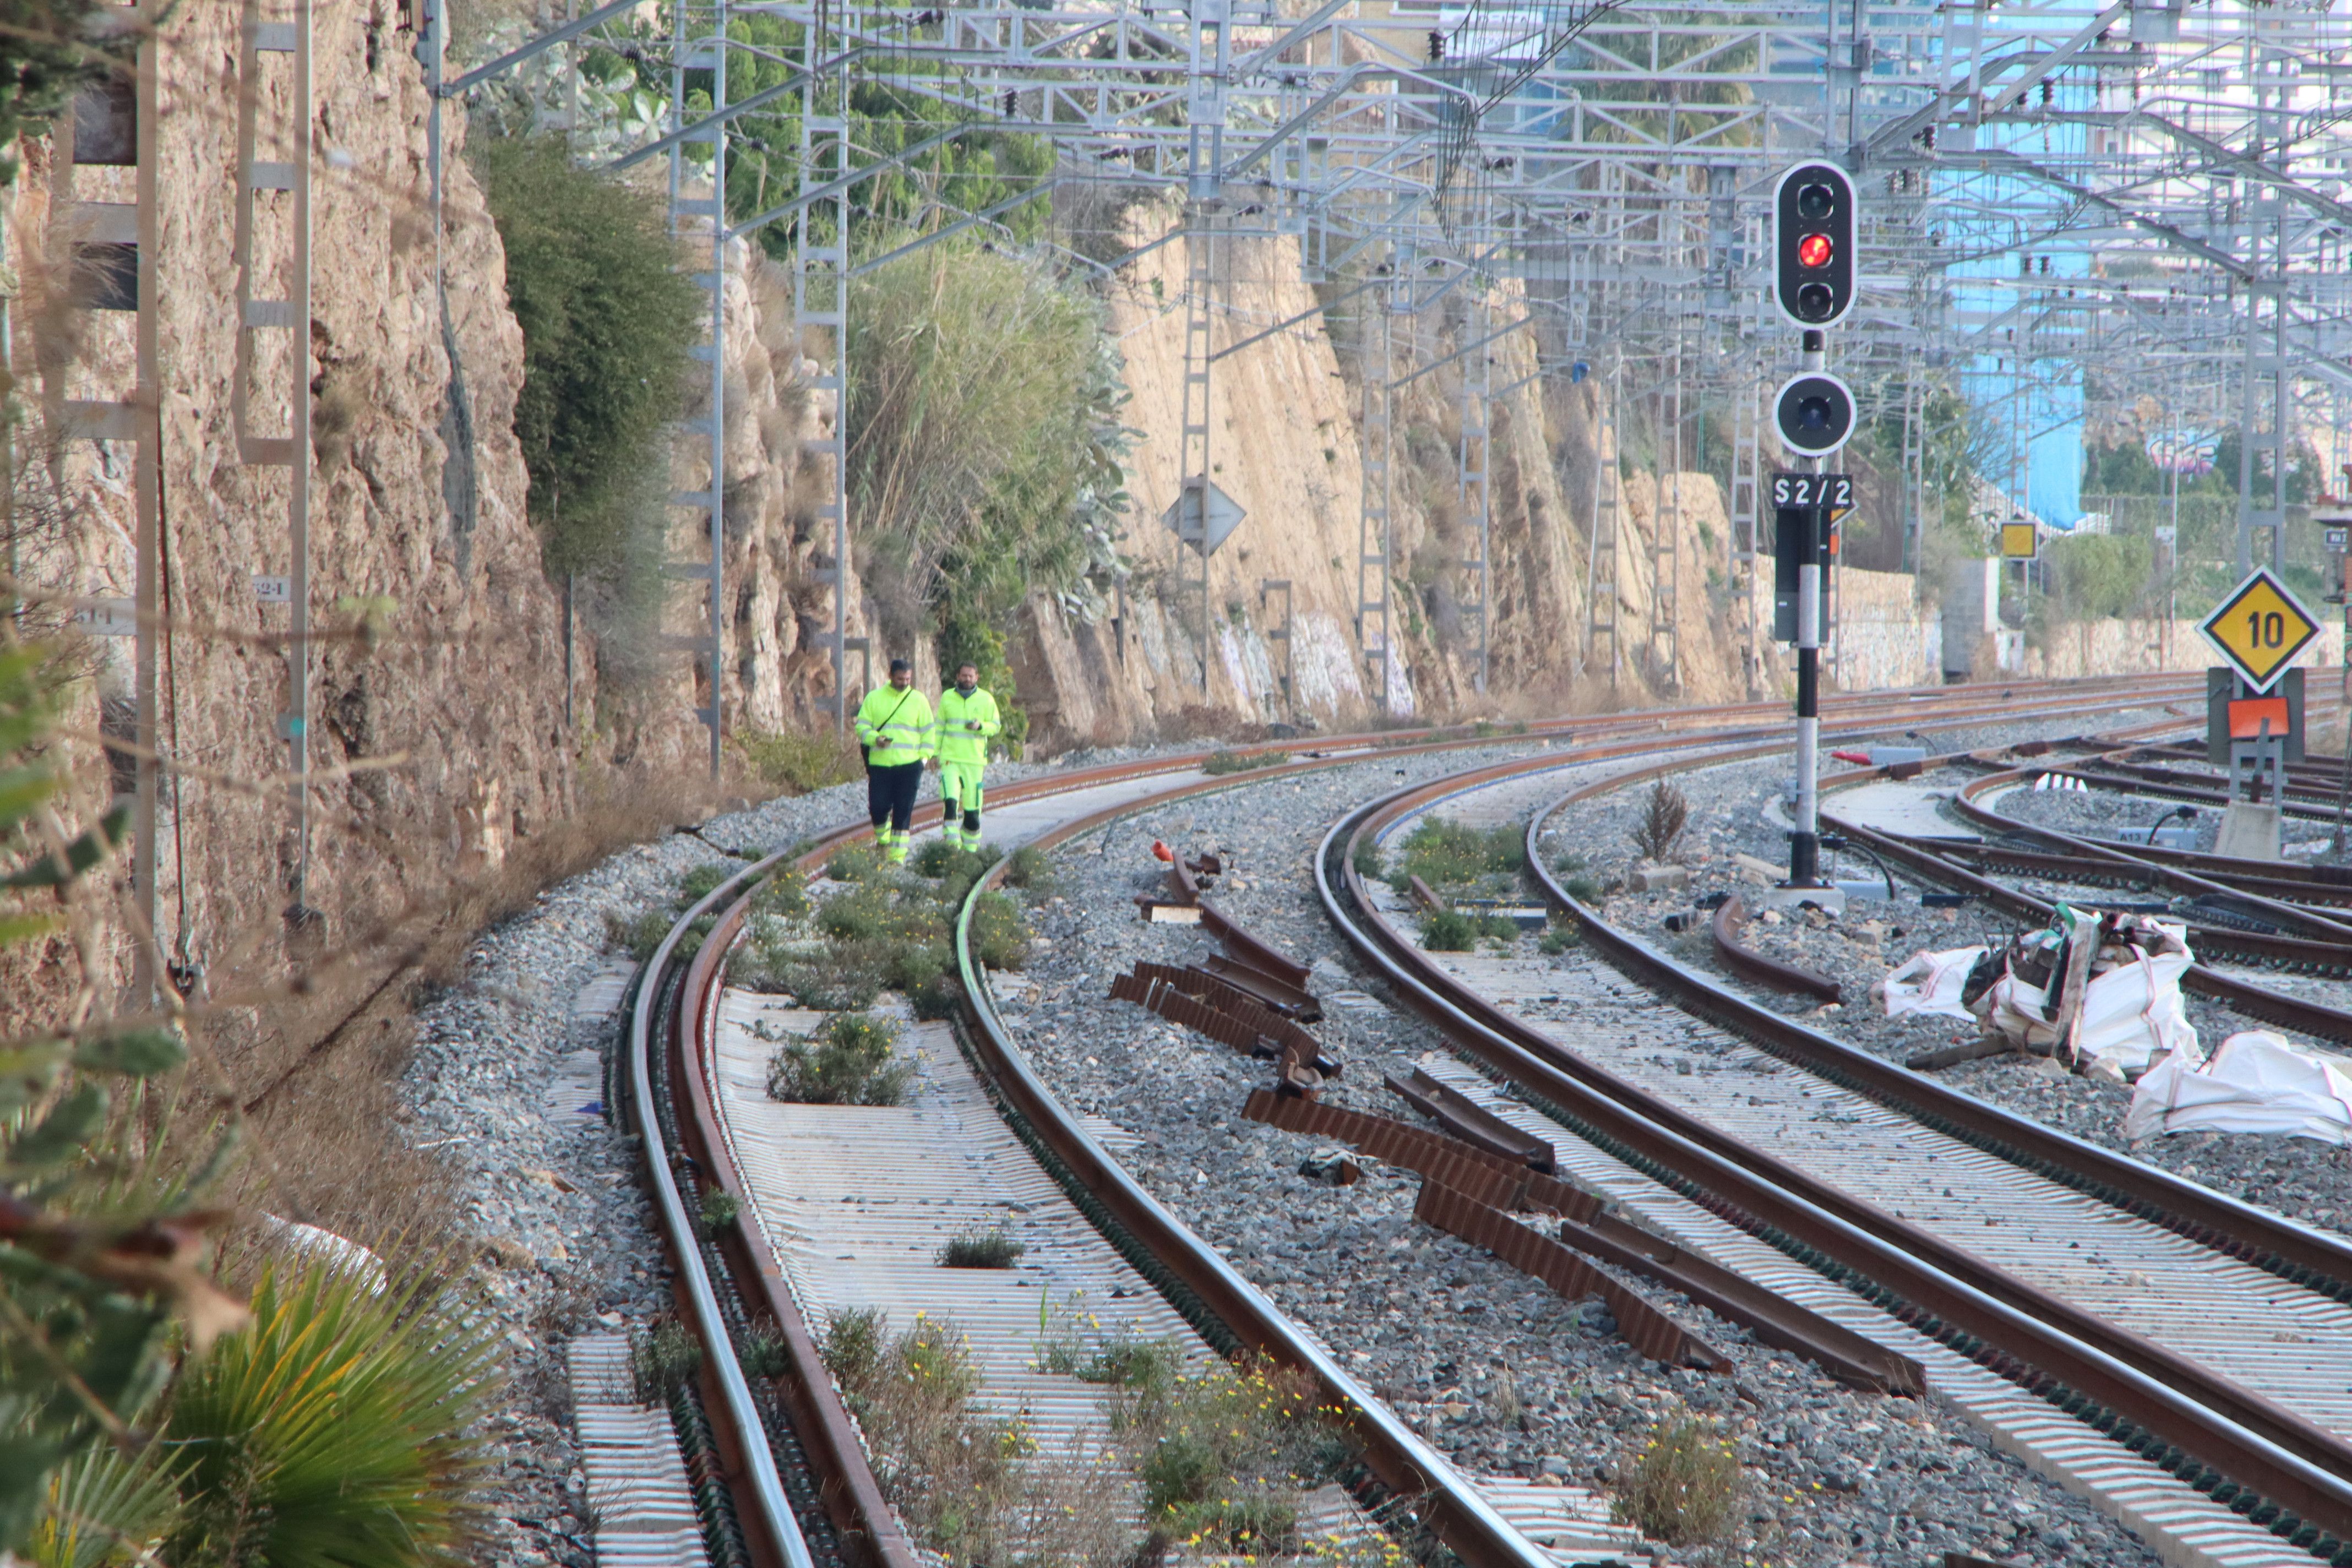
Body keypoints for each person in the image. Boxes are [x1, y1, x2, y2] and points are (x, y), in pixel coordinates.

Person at [854, 658, 935, 864]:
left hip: (910, 766)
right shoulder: (874, 698)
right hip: (881, 765)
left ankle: (897, 859)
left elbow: (928, 732)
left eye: (908, 679)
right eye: (900, 679)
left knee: (903, 810)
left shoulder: (919, 700)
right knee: (878, 807)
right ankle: (884, 839)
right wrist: (875, 739)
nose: (905, 683)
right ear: (890, 676)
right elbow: (861, 727)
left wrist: (923, 760)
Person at [934, 661, 1002, 852]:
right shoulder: (947, 698)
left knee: (972, 811)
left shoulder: (986, 699)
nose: (967, 679)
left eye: (971, 676)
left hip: (974, 762)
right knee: (950, 801)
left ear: (977, 677)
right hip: (950, 760)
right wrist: (934, 753)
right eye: (964, 675)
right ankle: (952, 847)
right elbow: (939, 728)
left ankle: (970, 852)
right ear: (958, 676)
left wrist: (981, 727)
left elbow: (996, 726)